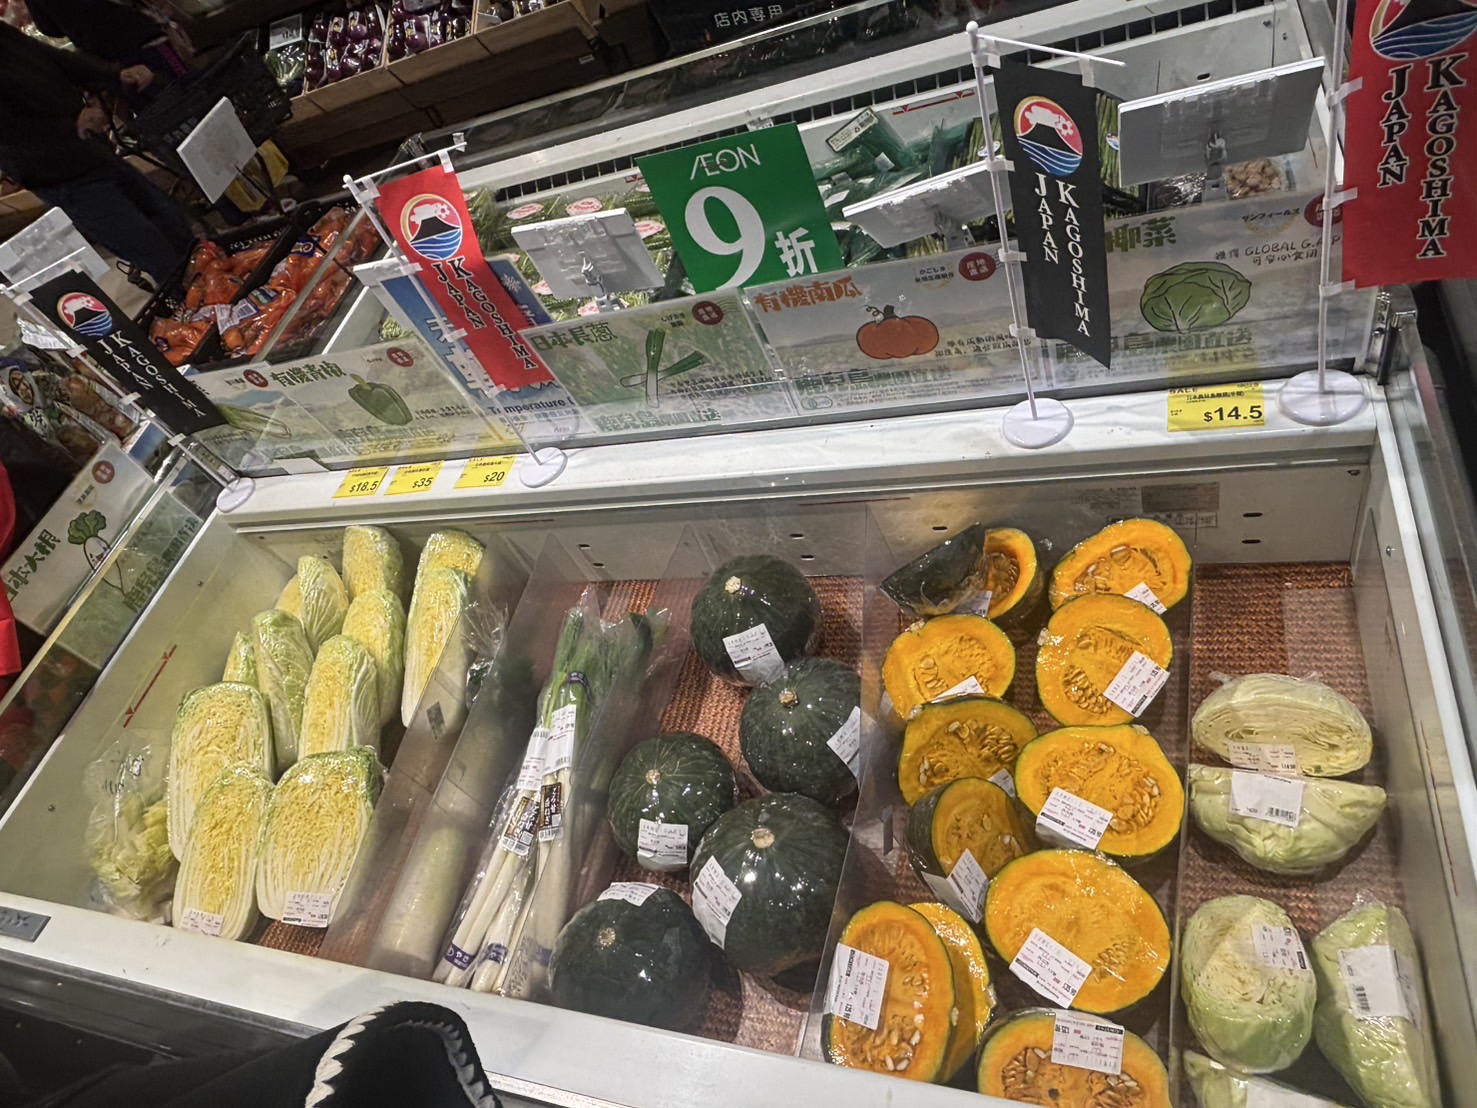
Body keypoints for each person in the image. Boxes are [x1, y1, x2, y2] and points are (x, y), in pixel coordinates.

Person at [0, 22, 195, 284]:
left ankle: (217, 284)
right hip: (58, 174)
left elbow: (55, 59)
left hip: (92, 150)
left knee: (174, 223)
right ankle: (191, 296)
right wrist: (70, 126)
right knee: (152, 250)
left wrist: (117, 75)